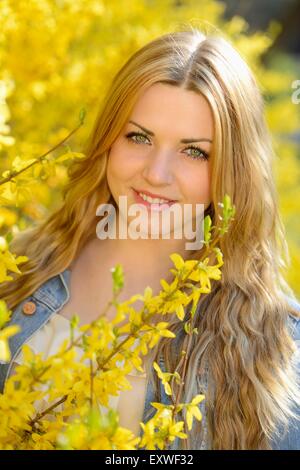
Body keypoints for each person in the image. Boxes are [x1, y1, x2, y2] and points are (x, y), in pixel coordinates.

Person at [0, 26, 299, 450]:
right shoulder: (19, 272)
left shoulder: (277, 346)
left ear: (233, 170)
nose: (156, 174)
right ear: (108, 139)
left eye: (194, 151)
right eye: (138, 137)